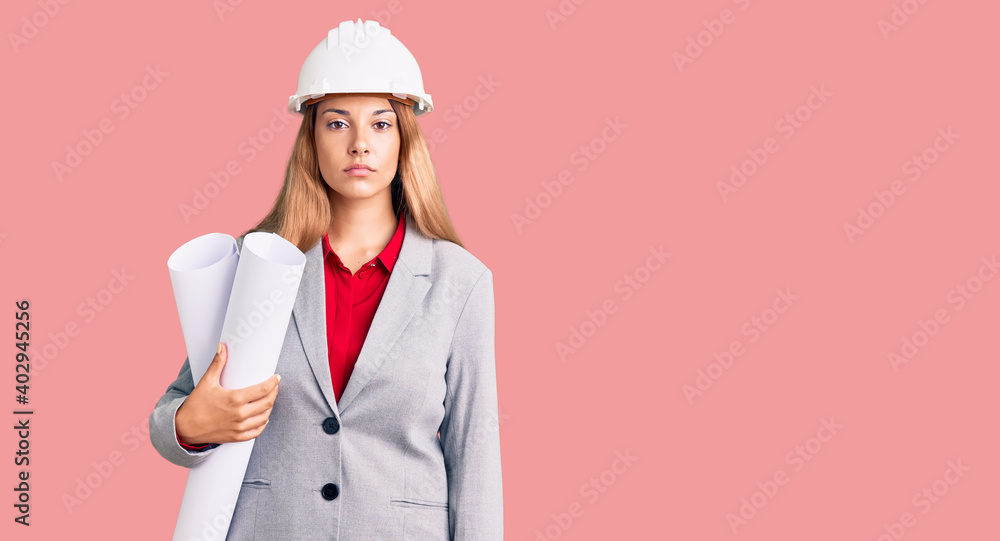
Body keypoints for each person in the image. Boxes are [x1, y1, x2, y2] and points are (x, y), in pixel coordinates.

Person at [149, 19, 502, 540]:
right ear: (310, 138)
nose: (360, 143)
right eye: (337, 123)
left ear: (406, 139)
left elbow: (475, 457)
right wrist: (190, 427)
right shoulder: (258, 262)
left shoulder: (461, 281)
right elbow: (171, 415)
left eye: (381, 124)